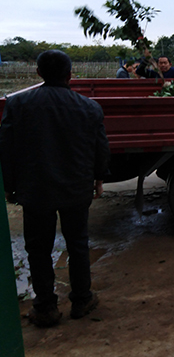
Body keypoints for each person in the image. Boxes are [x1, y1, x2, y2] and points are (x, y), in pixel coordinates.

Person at [0, 50, 110, 327]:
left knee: (38, 249)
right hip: (76, 189)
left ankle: (46, 308)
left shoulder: (17, 104)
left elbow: (7, 149)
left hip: (35, 190)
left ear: (38, 73)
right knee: (78, 244)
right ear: (70, 74)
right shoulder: (89, 107)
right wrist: (98, 179)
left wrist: (10, 186)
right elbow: (100, 149)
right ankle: (82, 300)